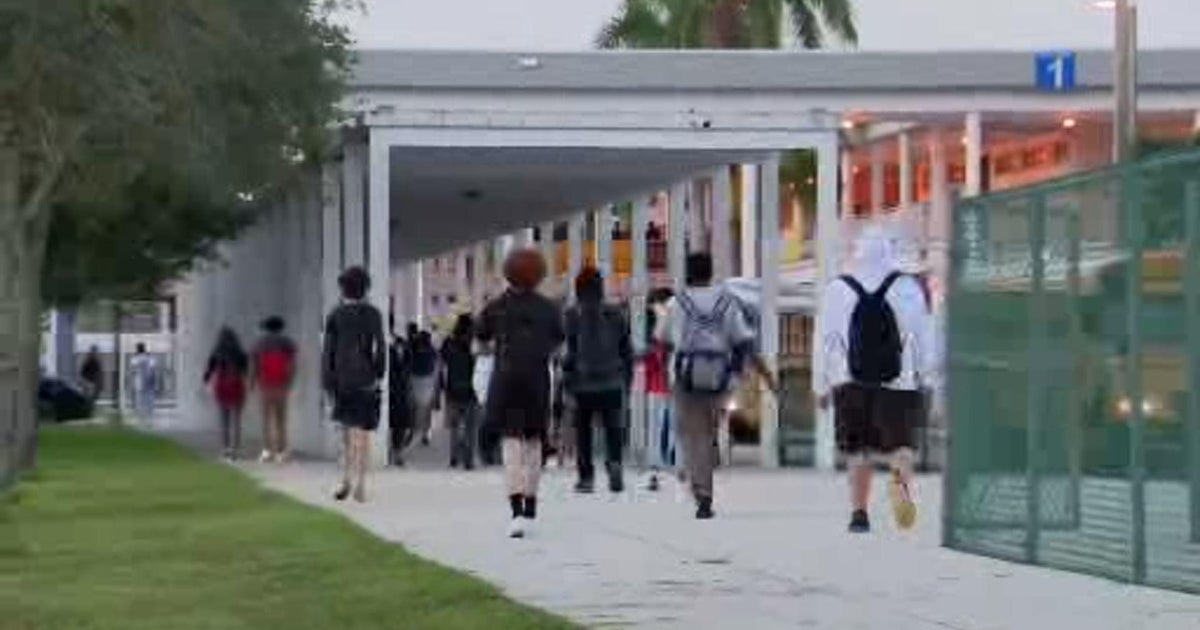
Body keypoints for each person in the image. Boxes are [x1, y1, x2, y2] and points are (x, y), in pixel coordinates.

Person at [816, 226, 934, 534]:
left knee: (858, 449)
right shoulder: (907, 286)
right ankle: (901, 494)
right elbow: (922, 334)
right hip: (900, 380)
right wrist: (926, 374)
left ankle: (859, 513)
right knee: (901, 446)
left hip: (849, 379)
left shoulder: (838, 288)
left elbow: (825, 341)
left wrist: (821, 384)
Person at [656, 252, 776, 520]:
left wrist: (666, 367)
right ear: (710, 273)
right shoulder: (727, 302)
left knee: (691, 436)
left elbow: (661, 340)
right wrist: (766, 376)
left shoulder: (677, 303)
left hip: (685, 378)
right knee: (709, 433)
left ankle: (702, 491)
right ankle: (705, 485)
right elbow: (745, 342)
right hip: (719, 378)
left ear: (688, 272)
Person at [477, 248, 564, 539]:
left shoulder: (498, 306)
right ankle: (531, 502)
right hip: (538, 378)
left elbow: (480, 336)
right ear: (539, 274)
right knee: (534, 440)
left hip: (505, 378)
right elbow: (559, 341)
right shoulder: (549, 308)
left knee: (511, 442)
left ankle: (515, 510)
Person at [564, 267, 633, 494]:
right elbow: (626, 349)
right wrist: (627, 379)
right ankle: (614, 464)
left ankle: (586, 477)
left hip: (583, 383)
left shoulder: (572, 315)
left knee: (583, 431)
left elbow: (570, 352)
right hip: (612, 380)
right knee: (613, 427)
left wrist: (567, 381)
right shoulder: (616, 313)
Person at [322, 266, 387, 503]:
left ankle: (345, 479)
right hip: (366, 377)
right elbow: (380, 346)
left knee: (346, 432)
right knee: (363, 432)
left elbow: (328, 351)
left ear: (343, 289)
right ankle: (361, 484)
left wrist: (327, 380)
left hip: (342, 378)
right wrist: (379, 372)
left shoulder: (335, 315)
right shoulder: (373, 314)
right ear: (365, 288)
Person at [251, 316, 297, 463]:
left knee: (266, 419)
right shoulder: (287, 343)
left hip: (265, 385)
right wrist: (289, 382)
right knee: (281, 420)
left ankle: (267, 450)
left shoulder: (259, 343)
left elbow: (254, 366)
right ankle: (281, 451)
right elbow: (292, 365)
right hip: (282, 385)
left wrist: (252, 383)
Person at [643, 289, 675, 492]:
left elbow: (651, 349)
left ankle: (658, 463)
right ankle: (666, 461)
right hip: (667, 381)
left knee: (659, 425)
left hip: (659, 381)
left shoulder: (659, 321)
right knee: (669, 424)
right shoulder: (664, 320)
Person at [441, 314, 479, 469]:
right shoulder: (473, 343)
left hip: (453, 389)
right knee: (471, 427)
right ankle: (468, 460)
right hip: (471, 389)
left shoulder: (448, 343)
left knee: (455, 427)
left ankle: (454, 457)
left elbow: (443, 362)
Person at [204, 329, 249, 461]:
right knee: (237, 420)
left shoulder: (216, 353)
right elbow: (245, 372)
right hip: (237, 386)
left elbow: (209, 372)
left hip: (221, 386)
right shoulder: (241, 353)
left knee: (224, 420)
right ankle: (236, 449)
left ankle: (226, 449)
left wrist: (205, 385)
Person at [408, 329, 439, 447]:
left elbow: (408, 366)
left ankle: (412, 432)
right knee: (426, 411)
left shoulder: (412, 350)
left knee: (414, 409)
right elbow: (436, 369)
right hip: (428, 382)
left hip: (414, 380)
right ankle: (425, 434)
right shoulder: (432, 351)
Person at [128, 343, 160, 425]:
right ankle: (149, 417)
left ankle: (141, 417)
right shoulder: (150, 358)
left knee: (139, 400)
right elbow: (154, 370)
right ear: (144, 348)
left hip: (139, 382)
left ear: (137, 349)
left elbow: (132, 371)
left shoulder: (134, 359)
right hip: (149, 381)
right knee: (149, 399)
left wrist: (131, 381)